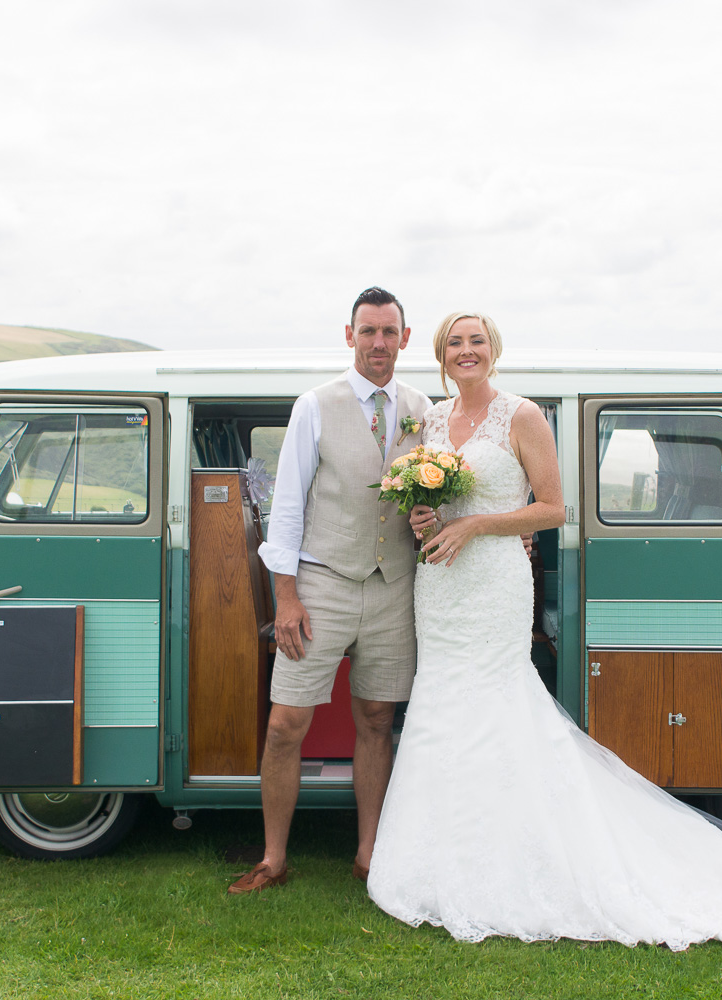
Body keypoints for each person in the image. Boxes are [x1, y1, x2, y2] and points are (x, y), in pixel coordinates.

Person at [366, 311, 722, 947]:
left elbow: (554, 508)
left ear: (493, 350)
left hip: (492, 584)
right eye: (455, 343)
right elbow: (426, 510)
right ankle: (439, 859)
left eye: (476, 341)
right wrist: (425, 518)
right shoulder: (430, 421)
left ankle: (521, 858)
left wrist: (476, 525)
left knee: (497, 708)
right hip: (441, 584)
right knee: (444, 707)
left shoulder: (523, 416)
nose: (466, 351)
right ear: (441, 354)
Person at [231, 287, 432, 894]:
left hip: (395, 585)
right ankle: (273, 859)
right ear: (350, 336)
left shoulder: (424, 407)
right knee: (286, 722)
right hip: (321, 584)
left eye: (389, 332)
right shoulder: (315, 405)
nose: (378, 343)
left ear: (403, 338)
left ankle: (369, 854)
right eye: (367, 331)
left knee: (376, 719)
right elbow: (286, 504)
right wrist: (286, 596)